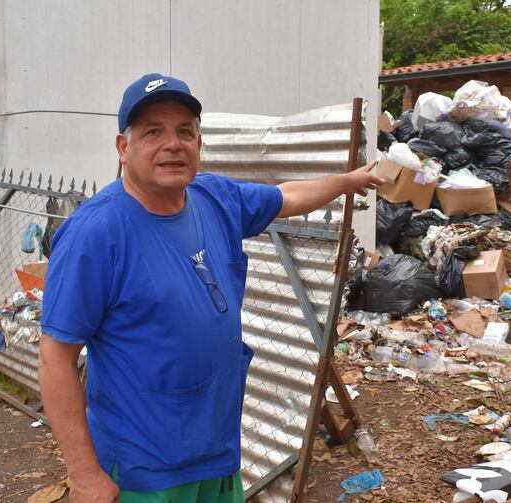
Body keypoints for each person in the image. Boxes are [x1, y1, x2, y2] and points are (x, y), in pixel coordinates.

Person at [38, 73, 384, 503]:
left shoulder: (214, 199)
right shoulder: (96, 233)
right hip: (144, 471)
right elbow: (56, 357)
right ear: (123, 148)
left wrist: (345, 182)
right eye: (153, 132)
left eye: (185, 131)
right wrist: (84, 473)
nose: (173, 144)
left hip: (217, 453)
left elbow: (287, 196)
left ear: (199, 144)